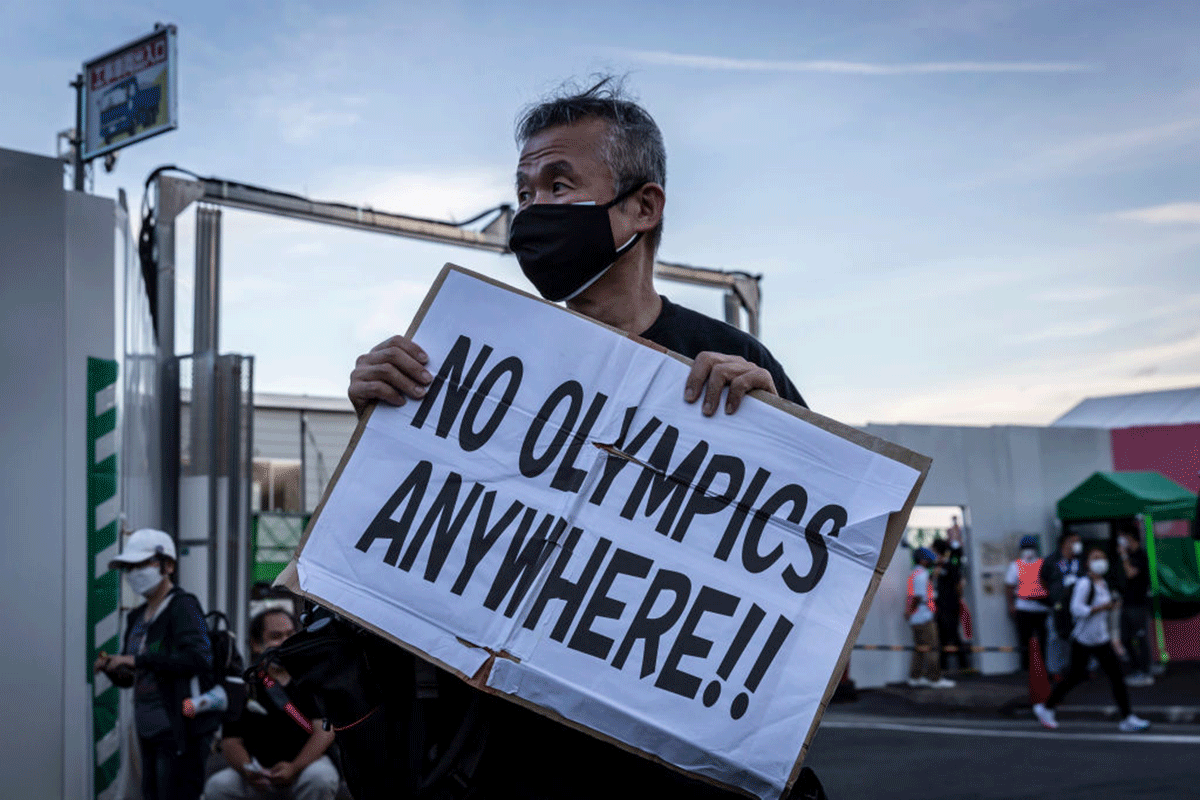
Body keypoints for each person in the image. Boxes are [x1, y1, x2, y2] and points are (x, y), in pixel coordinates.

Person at [344, 76, 825, 799]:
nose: (533, 211)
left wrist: (777, 432)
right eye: (526, 191)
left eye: (559, 184)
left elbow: (822, 574)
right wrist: (381, 426)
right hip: (507, 760)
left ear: (643, 206)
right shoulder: (468, 361)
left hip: (673, 766)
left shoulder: (737, 365)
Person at [93, 528, 218, 800]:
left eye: (142, 564)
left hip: (179, 728)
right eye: (129, 567)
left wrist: (136, 659)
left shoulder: (183, 606)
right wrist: (115, 669)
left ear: (168, 565)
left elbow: (199, 658)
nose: (135, 573)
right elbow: (133, 677)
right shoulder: (136, 617)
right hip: (146, 728)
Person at [204, 609, 339, 800]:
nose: (285, 642)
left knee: (320, 778)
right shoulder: (243, 686)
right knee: (218, 786)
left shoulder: (311, 679)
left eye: (290, 634)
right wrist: (248, 771)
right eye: (276, 636)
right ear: (256, 644)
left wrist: (294, 768)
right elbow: (231, 741)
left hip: (304, 769)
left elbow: (324, 731)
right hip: (258, 777)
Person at [1033, 548, 1151, 732]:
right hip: (1083, 640)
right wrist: (1101, 607)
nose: (1100, 561)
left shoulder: (1103, 583)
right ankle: (1046, 707)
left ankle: (1127, 718)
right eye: (1096, 557)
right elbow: (1076, 610)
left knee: (1116, 677)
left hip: (1100, 639)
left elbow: (1106, 615)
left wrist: (1113, 635)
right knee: (1074, 677)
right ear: (1087, 563)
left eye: (1103, 557)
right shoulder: (1084, 584)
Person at [906, 548, 955, 688]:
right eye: (929, 559)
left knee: (920, 648)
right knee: (932, 647)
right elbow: (919, 596)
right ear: (922, 560)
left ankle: (915, 677)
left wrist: (909, 612)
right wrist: (910, 611)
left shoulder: (914, 573)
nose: (931, 562)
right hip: (923, 616)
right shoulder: (922, 575)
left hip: (917, 617)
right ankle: (935, 679)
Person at [1039, 531, 1083, 676]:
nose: (1077, 545)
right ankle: (1054, 669)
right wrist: (1053, 595)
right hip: (1058, 606)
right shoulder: (1051, 560)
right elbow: (1042, 581)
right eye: (1074, 541)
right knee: (1055, 636)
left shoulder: (1080, 560)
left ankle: (1080, 667)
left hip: (1078, 606)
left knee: (1080, 635)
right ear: (1066, 542)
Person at [1005, 535, 1049, 672]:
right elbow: (1009, 587)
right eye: (1025, 548)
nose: (1028, 551)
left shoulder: (1043, 564)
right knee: (1025, 640)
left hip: (1042, 608)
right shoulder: (1015, 565)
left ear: (1035, 549)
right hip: (1023, 608)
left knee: (1044, 640)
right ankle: (1026, 668)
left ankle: (1044, 667)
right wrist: (1011, 605)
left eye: (1030, 548)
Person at [1117, 526, 1153, 686]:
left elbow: (1131, 573)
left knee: (1140, 637)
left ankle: (1145, 672)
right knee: (1125, 638)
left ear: (1130, 537)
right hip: (1126, 602)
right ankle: (1136, 668)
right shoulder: (1130, 555)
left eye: (1122, 537)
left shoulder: (1140, 554)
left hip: (1138, 604)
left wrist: (1124, 555)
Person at [931, 539, 968, 672]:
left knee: (953, 634)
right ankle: (944, 666)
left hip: (950, 605)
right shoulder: (937, 566)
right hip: (941, 605)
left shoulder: (950, 565)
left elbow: (958, 585)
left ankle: (964, 665)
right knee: (942, 635)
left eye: (933, 550)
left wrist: (956, 599)